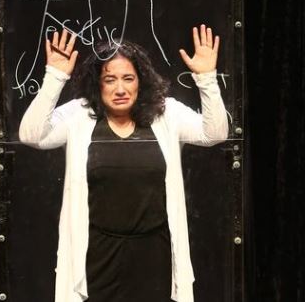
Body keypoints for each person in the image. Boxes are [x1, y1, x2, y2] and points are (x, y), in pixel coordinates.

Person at [19, 25, 228, 302]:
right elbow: (31, 135)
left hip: (153, 255)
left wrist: (207, 79)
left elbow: (215, 133)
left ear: (140, 81)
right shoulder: (79, 116)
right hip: (98, 256)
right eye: (110, 80)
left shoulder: (166, 114)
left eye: (128, 78)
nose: (120, 88)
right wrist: (55, 77)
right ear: (98, 84)